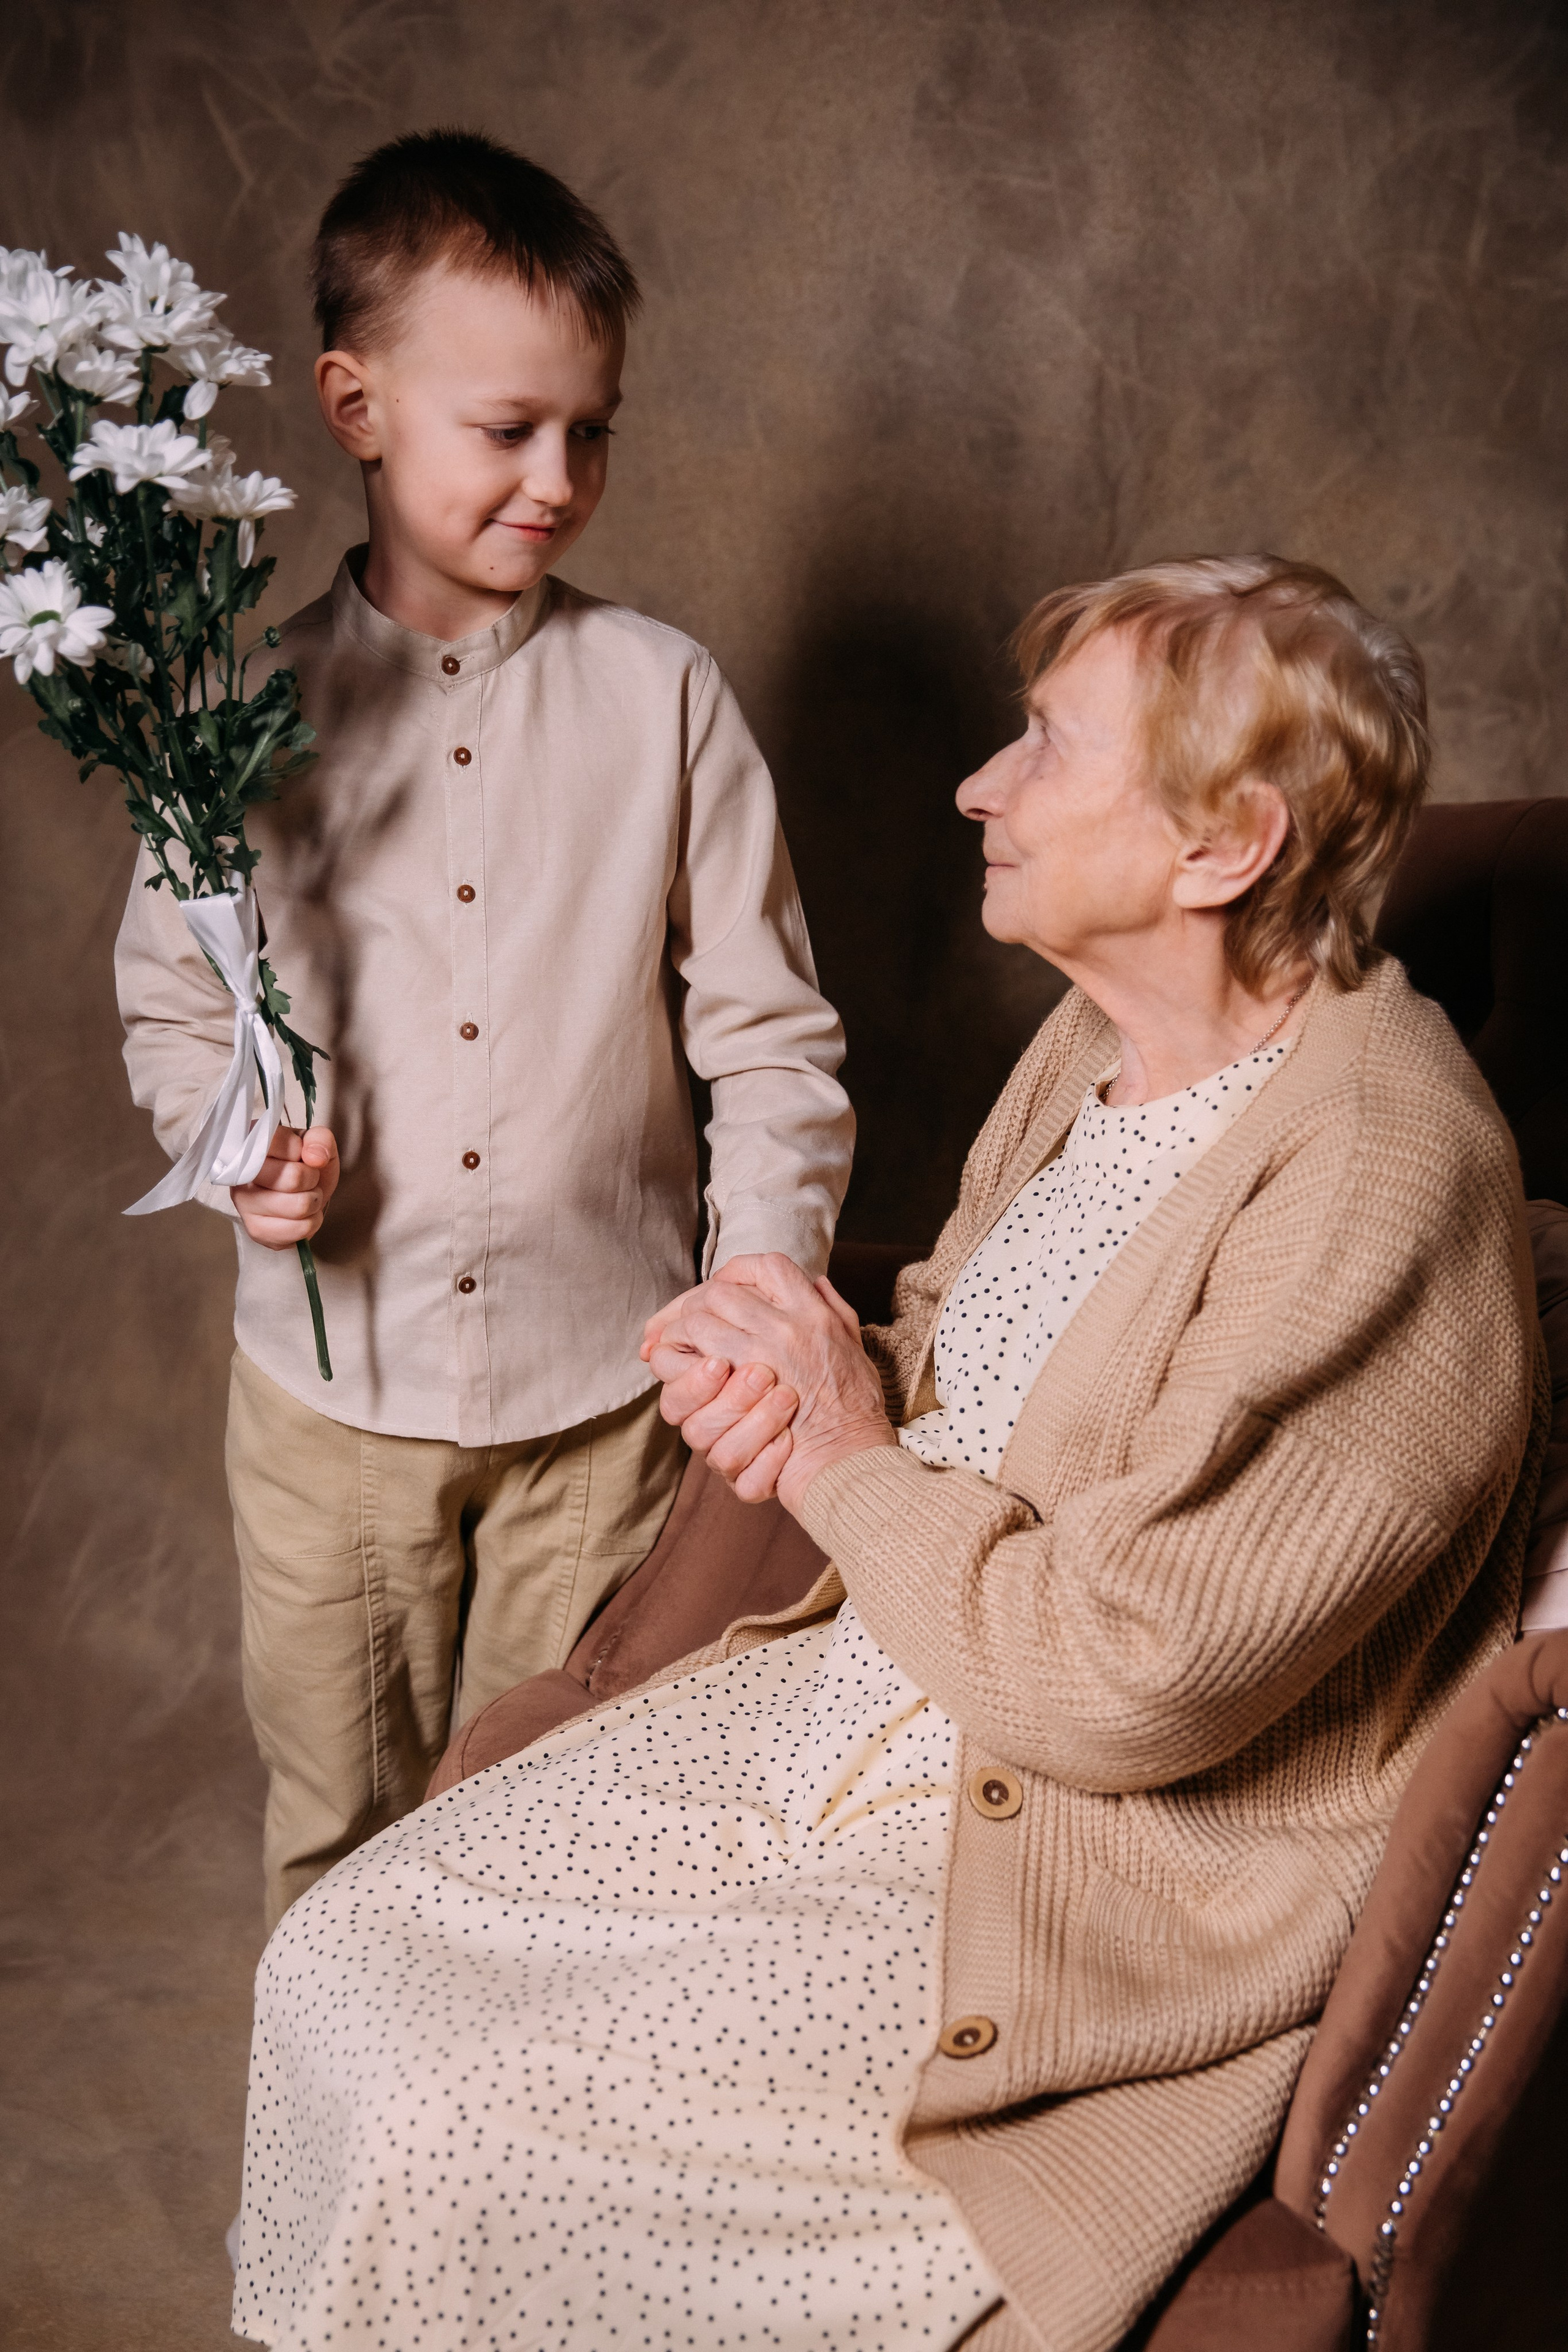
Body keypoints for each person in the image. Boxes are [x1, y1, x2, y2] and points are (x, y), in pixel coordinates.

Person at [229, 556, 1545, 2352]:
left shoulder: (1390, 1170)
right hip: (871, 1710)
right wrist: (807, 1372)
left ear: (1225, 844)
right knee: (342, 1961)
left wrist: (843, 1454)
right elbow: (963, 1336)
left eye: (1045, 749)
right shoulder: (1108, 1039)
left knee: (455, 2118)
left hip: (1090, 1867)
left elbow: (1129, 1680)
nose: (978, 787)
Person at [114, 129, 853, 1934]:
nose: (557, 477)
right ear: (356, 407)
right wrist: (234, 1152)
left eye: (590, 431)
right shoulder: (227, 718)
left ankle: (504, 2201)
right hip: (324, 1408)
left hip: (604, 1409)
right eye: (507, 429)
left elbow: (769, 1042)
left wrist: (758, 1296)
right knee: (341, 1830)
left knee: (550, 1829)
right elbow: (169, 994)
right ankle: (321, 2190)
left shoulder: (664, 699)